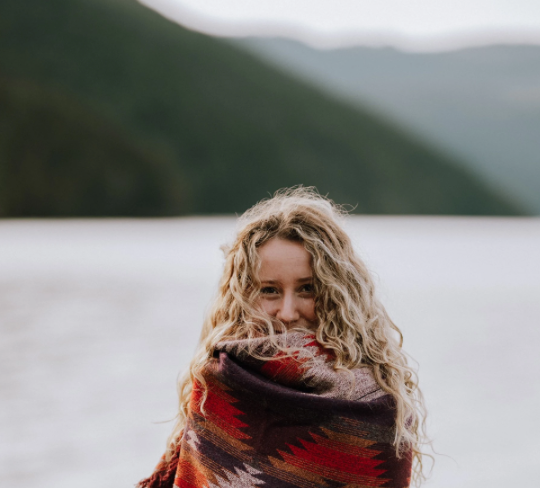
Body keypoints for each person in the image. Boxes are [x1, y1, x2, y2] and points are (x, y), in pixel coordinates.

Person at [138, 187, 428, 488]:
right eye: (270, 290)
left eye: (307, 289)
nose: (287, 313)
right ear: (243, 296)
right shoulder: (219, 385)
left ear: (338, 294)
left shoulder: (376, 408)